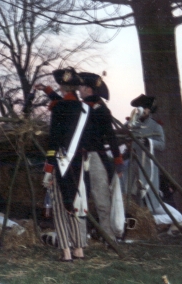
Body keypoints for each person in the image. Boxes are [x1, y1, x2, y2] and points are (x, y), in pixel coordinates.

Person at [34, 68, 88, 262]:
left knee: (59, 206)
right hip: (79, 163)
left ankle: (66, 252)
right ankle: (79, 249)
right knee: (75, 204)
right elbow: (67, 102)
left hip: (61, 162)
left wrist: (48, 167)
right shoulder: (83, 108)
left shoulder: (59, 108)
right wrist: (48, 91)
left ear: (61, 87)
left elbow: (54, 140)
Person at [77, 72, 124, 242]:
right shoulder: (79, 107)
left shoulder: (101, 109)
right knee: (79, 200)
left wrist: (118, 160)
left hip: (96, 157)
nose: (79, 90)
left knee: (102, 200)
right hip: (79, 157)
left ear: (89, 89)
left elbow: (111, 137)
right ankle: (80, 239)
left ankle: (109, 238)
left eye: (81, 87)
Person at [125, 94, 167, 215]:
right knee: (128, 191)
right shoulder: (132, 123)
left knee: (146, 192)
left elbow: (162, 144)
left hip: (147, 165)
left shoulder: (156, 126)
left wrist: (149, 142)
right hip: (132, 162)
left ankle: (148, 219)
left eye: (144, 108)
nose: (142, 111)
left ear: (149, 110)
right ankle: (132, 219)